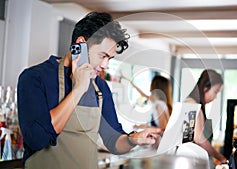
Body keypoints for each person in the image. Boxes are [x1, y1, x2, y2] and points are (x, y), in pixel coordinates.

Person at [17, 12, 161, 169]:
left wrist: (133, 140)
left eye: (109, 59)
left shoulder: (100, 87)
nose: (105, 65)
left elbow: (113, 140)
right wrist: (78, 89)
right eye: (102, 55)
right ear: (81, 44)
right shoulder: (34, 78)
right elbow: (37, 139)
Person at [183, 69, 227, 167]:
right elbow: (199, 139)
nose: (215, 97)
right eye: (215, 92)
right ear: (205, 87)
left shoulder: (192, 104)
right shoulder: (192, 105)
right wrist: (220, 157)